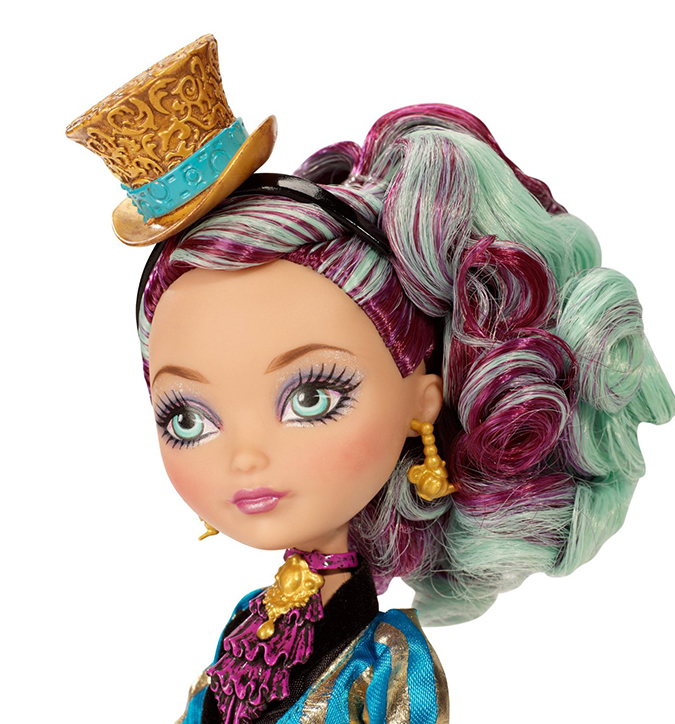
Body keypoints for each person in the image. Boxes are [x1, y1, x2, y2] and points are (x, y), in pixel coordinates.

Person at [67, 35, 674, 724]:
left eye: (311, 397)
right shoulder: (247, 623)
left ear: (423, 395)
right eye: (187, 418)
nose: (245, 456)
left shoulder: (384, 663)